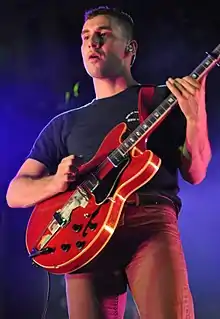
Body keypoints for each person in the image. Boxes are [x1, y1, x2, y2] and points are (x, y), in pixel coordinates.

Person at [6, 6, 212, 319]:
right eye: (86, 37)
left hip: (149, 222)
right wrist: (55, 181)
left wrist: (196, 118)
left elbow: (195, 172)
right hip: (82, 234)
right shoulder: (65, 124)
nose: (92, 42)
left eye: (103, 35)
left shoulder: (161, 99)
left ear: (130, 48)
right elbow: (15, 193)